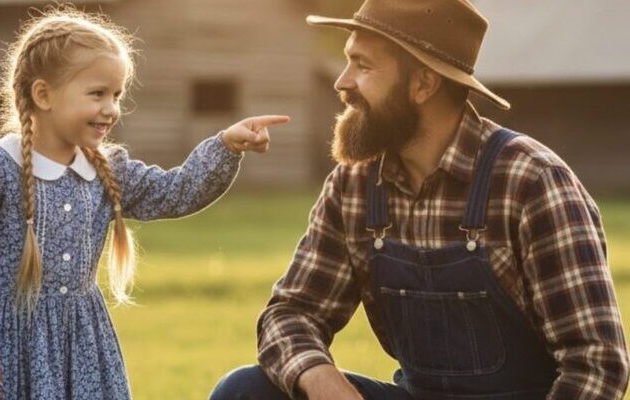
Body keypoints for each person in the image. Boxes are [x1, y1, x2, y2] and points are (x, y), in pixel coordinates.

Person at [210, 0, 628, 399]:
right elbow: (291, 314)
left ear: (423, 84)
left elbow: (596, 363)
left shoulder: (532, 182)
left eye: (363, 65)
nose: (342, 82)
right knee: (245, 391)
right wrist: (324, 384)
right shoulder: (353, 185)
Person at [0, 8, 289, 400]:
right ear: (43, 95)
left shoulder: (107, 170)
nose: (111, 108)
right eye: (97, 94)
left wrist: (226, 146)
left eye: (117, 95)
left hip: (83, 352)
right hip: (2, 353)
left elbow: (177, 191)